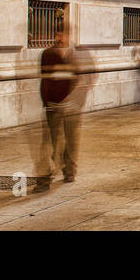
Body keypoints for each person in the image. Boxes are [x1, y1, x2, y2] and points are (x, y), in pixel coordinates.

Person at [37, 28, 85, 187]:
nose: (59, 38)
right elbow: (45, 78)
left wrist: (77, 100)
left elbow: (81, 79)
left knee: (71, 140)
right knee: (52, 140)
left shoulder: (76, 54)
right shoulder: (48, 54)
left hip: (72, 106)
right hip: (53, 104)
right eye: (57, 34)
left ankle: (70, 170)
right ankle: (46, 175)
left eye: (62, 35)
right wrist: (46, 100)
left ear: (70, 36)